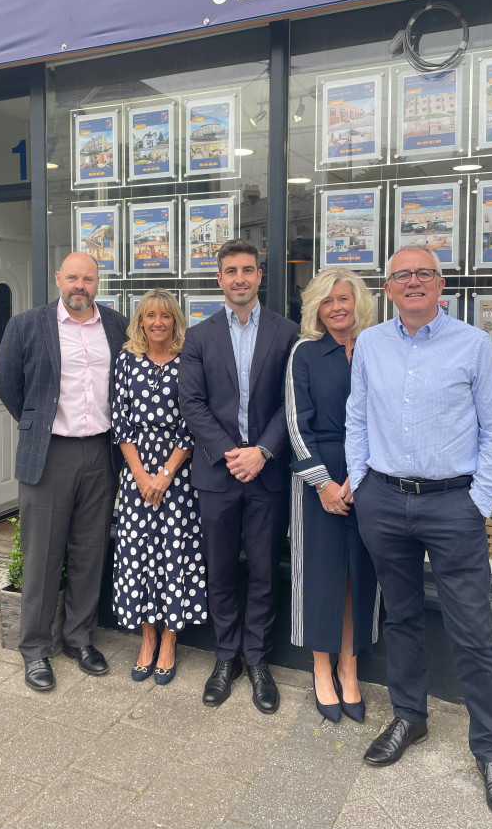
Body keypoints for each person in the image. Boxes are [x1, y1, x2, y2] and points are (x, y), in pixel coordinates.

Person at [344, 244, 492, 823]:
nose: (414, 283)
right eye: (403, 276)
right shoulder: (370, 343)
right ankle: (409, 716)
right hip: (385, 501)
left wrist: (478, 501)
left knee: (472, 630)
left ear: (440, 284)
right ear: (389, 288)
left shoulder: (472, 345)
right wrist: (360, 480)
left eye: (424, 274)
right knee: (399, 615)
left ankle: (490, 751)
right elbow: (357, 414)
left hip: (453, 506)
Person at [0, 252, 128, 691]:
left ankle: (78, 638)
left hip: (100, 453)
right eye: (72, 278)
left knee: (89, 552)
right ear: (57, 279)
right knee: (42, 556)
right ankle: (34, 648)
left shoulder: (115, 325)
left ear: (97, 283)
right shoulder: (27, 325)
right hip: (50, 454)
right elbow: (6, 383)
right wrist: (35, 425)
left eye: (88, 279)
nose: (79, 286)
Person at [179, 239, 298, 714]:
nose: (240, 278)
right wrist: (234, 454)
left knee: (266, 572)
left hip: (267, 475)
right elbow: (192, 403)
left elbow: (291, 403)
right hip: (217, 474)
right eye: (231, 271)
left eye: (248, 270)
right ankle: (225, 657)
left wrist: (263, 452)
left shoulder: (286, 333)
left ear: (259, 275)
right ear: (219, 279)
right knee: (221, 570)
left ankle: (259, 660)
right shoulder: (199, 336)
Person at [285, 268, 378, 724]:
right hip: (316, 477)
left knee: (358, 576)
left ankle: (350, 667)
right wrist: (322, 483)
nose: (337, 308)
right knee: (321, 575)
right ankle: (321, 668)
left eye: (344, 299)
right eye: (328, 301)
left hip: (368, 476)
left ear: (358, 302)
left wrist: (359, 479)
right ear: (316, 309)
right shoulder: (305, 352)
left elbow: (385, 417)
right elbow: (295, 423)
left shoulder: (377, 346)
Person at [112, 289, 207, 684]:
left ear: (174, 321)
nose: (157, 323)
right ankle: (146, 639)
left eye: (164, 316)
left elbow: (194, 422)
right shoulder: (127, 360)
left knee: (174, 552)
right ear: (140, 320)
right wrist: (140, 475)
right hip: (136, 472)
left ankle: (170, 640)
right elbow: (120, 420)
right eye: (149, 315)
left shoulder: (189, 361)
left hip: (178, 474)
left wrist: (165, 475)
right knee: (138, 553)